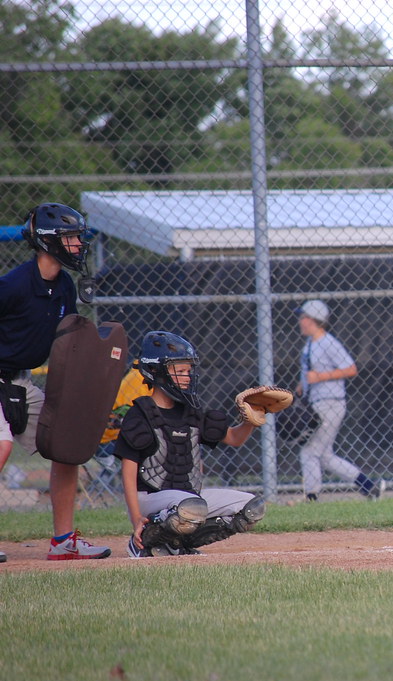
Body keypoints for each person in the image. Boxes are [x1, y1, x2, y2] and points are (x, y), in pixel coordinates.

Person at [0, 203, 111, 561]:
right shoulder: (14, 285)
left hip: (20, 382)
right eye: (71, 237)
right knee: (1, 446)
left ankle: (63, 541)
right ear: (49, 241)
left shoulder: (63, 286)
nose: (79, 244)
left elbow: (70, 344)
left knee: (67, 446)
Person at [115, 330, 267, 557]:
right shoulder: (141, 415)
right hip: (149, 498)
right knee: (192, 506)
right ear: (156, 371)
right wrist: (136, 516)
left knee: (251, 508)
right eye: (180, 371)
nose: (187, 377)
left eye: (188, 370)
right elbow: (128, 472)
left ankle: (178, 545)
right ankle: (146, 541)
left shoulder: (191, 412)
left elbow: (234, 438)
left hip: (187, 499)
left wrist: (251, 420)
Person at [295, 300, 383, 501]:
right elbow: (308, 374)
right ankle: (369, 487)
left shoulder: (328, 342)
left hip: (330, 402)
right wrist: (300, 388)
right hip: (316, 402)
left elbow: (351, 368)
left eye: (303, 317)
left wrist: (320, 377)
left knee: (309, 451)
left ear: (313, 320)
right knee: (325, 456)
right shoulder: (310, 344)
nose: (300, 321)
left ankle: (311, 497)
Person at [89, 366, 152, 495]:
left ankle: (107, 480)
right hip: (106, 443)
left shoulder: (136, 373)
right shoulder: (140, 382)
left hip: (102, 439)